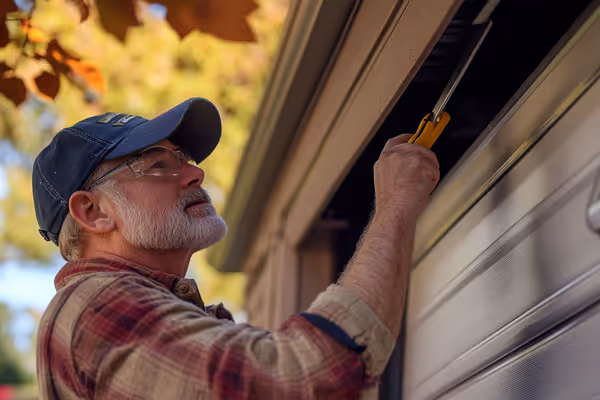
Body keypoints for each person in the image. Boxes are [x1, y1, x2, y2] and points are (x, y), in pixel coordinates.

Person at [33, 98, 440, 399]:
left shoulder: (120, 307)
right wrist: (396, 204)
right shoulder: (96, 305)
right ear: (93, 211)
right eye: (158, 164)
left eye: (184, 158)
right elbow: (310, 380)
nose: (195, 173)